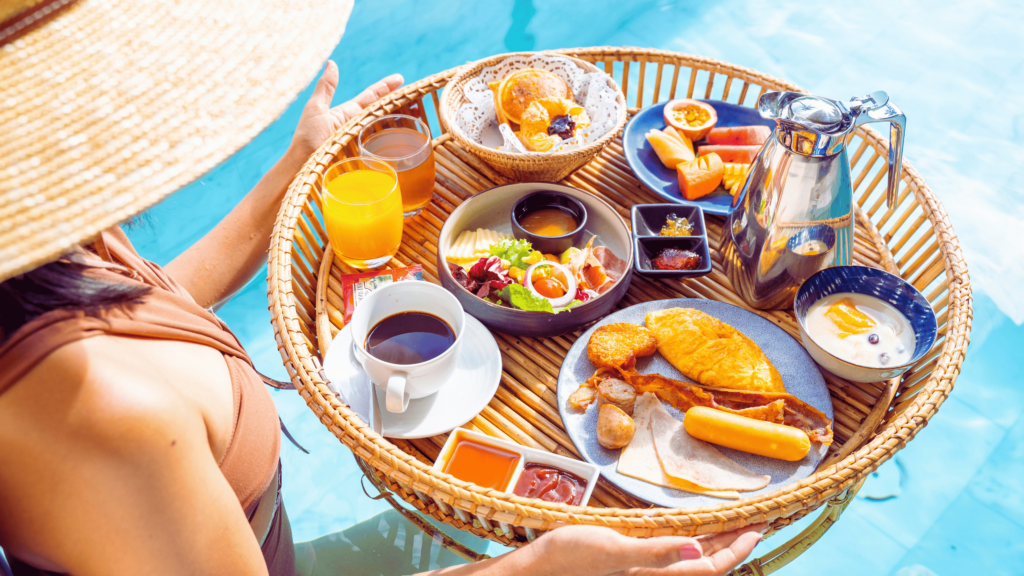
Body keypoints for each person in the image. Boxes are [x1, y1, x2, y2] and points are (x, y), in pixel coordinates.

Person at [0, 57, 764, 575]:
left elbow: (146, 314)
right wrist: (539, 565)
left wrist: (294, 170)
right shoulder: (96, 416)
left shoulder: (45, 259)